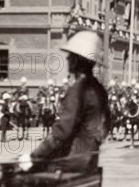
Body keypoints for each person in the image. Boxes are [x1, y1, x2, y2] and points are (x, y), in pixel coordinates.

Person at [19, 31, 110, 173]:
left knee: (21, 176)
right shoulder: (99, 89)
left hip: (72, 159)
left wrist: (34, 156)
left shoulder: (78, 89)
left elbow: (61, 132)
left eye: (71, 56)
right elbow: (106, 125)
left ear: (77, 60)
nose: (67, 59)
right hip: (91, 158)